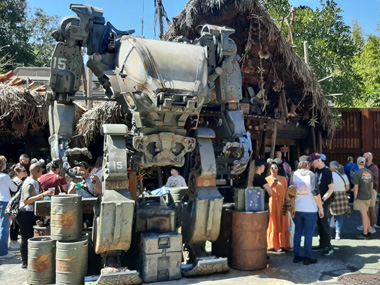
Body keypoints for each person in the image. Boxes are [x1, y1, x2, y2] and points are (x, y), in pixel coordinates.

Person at [16, 163, 54, 268]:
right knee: (26, 238)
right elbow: (26, 200)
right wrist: (43, 195)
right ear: (38, 171)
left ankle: (28, 261)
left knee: (28, 238)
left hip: (27, 213)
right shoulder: (31, 183)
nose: (42, 173)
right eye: (41, 171)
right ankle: (25, 262)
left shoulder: (31, 181)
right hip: (26, 214)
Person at [292, 159, 324, 265]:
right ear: (309, 165)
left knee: (298, 232)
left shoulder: (294, 174)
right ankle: (308, 257)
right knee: (308, 234)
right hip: (310, 208)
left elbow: (290, 190)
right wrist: (320, 207)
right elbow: (315, 192)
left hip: (297, 207)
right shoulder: (311, 175)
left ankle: (296, 255)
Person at [308, 153, 334, 256]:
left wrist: (322, 199)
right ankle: (322, 244)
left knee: (324, 223)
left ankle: (328, 245)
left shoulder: (327, 171)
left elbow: (331, 188)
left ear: (318, 160)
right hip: (317, 200)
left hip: (324, 201)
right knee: (319, 223)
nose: (312, 164)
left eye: (313, 162)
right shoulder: (316, 170)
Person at [266, 161, 290, 252]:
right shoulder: (267, 179)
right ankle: (275, 244)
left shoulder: (283, 179)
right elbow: (267, 192)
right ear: (269, 169)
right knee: (274, 222)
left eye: (275, 168)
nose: (273, 170)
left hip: (283, 203)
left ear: (278, 169)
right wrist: (272, 185)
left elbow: (286, 192)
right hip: (273, 203)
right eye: (272, 168)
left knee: (284, 222)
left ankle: (285, 244)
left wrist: (288, 204)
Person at [68, 161, 101, 227]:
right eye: (79, 171)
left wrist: (94, 183)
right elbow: (69, 193)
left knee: (90, 223)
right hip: (78, 205)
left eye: (82, 171)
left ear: (87, 169)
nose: (80, 173)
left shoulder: (93, 177)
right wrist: (74, 184)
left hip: (90, 205)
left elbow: (99, 191)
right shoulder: (76, 179)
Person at [0, 156, 18, 259]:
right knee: (4, 227)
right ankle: (2, 252)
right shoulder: (4, 176)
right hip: (4, 201)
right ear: (2, 165)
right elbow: (14, 188)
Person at [328, 161, 351, 240]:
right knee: (340, 216)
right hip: (341, 196)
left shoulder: (329, 175)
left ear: (333, 167)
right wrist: (342, 191)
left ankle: (327, 233)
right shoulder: (343, 175)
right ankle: (338, 234)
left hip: (331, 196)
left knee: (328, 215)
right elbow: (348, 187)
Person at [357, 152, 378, 234]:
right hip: (364, 189)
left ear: (369, 158)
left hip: (372, 190)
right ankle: (366, 225)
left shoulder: (374, 167)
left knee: (372, 207)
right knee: (365, 208)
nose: (362, 158)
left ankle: (372, 226)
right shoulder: (365, 166)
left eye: (364, 157)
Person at [353, 156, 373, 239]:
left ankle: (365, 234)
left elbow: (356, 187)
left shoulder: (357, 173)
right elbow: (371, 184)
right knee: (366, 214)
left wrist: (355, 197)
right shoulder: (369, 172)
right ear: (364, 163)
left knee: (364, 215)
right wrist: (370, 193)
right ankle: (368, 231)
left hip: (361, 197)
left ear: (357, 163)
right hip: (368, 196)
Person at [8, 163, 27, 249]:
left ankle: (14, 240)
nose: (25, 172)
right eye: (23, 171)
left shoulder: (15, 180)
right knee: (15, 224)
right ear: (17, 173)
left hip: (15, 204)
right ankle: (13, 241)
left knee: (15, 223)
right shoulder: (17, 181)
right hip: (15, 204)